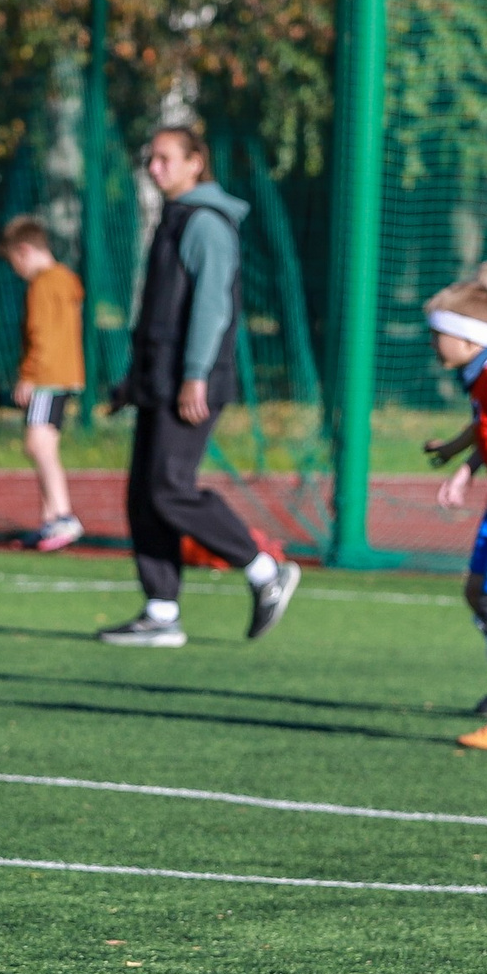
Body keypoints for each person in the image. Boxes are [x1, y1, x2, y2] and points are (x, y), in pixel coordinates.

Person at [97, 126, 300, 648]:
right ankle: (161, 613)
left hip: (190, 382)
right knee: (144, 496)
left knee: (169, 489)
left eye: (165, 158)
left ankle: (264, 569)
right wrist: (133, 381)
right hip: (159, 380)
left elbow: (212, 307)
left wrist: (195, 374)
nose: (154, 168)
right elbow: (161, 310)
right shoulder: (174, 217)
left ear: (195, 163)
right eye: (151, 158)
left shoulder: (206, 222)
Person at [419, 284, 487, 750]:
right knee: (485, 597)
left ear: (467, 339)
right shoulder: (484, 374)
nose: (431, 343)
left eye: (437, 335)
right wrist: (457, 457)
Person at [0, 216, 86, 552]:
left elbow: (42, 335)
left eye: (14, 261)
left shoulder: (42, 285)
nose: (16, 269)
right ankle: (51, 521)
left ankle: (63, 516)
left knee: (38, 446)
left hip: (48, 376)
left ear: (24, 251)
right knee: (43, 445)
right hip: (65, 374)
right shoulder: (66, 279)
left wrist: (29, 375)